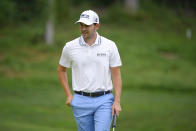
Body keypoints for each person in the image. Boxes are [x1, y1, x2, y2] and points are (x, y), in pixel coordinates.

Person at [58, 10, 122, 131]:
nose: (83, 29)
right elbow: (61, 70)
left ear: (97, 26)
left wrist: (117, 101)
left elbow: (116, 74)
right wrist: (68, 95)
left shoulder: (110, 45)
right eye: (81, 25)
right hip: (80, 100)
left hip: (104, 100)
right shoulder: (70, 47)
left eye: (87, 25)